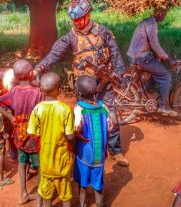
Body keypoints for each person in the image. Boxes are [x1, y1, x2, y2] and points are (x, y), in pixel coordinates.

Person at [35, 0, 129, 167]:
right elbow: (55, 54)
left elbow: (115, 53)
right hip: (83, 86)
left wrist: (120, 73)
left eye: (80, 18)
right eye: (74, 20)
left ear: (88, 15)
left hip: (104, 81)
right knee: (82, 118)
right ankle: (86, 148)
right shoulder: (70, 37)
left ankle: (115, 151)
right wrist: (40, 67)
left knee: (111, 114)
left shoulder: (103, 32)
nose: (77, 22)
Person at [0, 59, 43, 205]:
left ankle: (23, 194)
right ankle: (39, 197)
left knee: (22, 164)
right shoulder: (38, 93)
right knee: (39, 167)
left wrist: (10, 116)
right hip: (35, 138)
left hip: (20, 137)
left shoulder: (13, 91)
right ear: (31, 73)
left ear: (15, 76)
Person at [27, 72, 75, 207]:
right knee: (66, 194)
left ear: (41, 90)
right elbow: (70, 135)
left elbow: (32, 133)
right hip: (62, 160)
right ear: (60, 90)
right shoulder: (65, 109)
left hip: (46, 160)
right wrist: (74, 147)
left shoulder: (38, 109)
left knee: (47, 195)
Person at [127, 8, 180, 116]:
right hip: (140, 56)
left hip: (137, 54)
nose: (165, 15)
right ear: (158, 13)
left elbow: (151, 45)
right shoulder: (151, 25)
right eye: (164, 12)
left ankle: (145, 90)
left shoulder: (149, 22)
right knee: (165, 75)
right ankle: (164, 107)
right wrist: (169, 59)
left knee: (157, 67)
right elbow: (155, 45)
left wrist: (164, 56)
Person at [73, 75, 113, 207]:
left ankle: (82, 203)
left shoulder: (79, 109)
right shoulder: (104, 108)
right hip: (99, 153)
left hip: (84, 152)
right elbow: (110, 127)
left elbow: (76, 128)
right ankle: (99, 203)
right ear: (96, 91)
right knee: (98, 180)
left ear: (78, 92)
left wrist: (77, 136)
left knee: (83, 181)